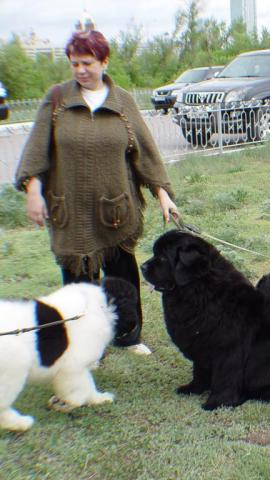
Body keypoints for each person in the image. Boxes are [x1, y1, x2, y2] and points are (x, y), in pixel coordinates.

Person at [15, 30, 177, 355]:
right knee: (77, 284)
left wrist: (162, 193)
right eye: (74, 64)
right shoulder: (58, 99)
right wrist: (34, 191)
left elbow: (144, 152)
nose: (80, 70)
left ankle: (128, 335)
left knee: (122, 279)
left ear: (104, 61)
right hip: (70, 212)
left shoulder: (123, 102)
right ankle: (86, 344)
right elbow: (36, 151)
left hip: (115, 211)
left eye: (87, 63)